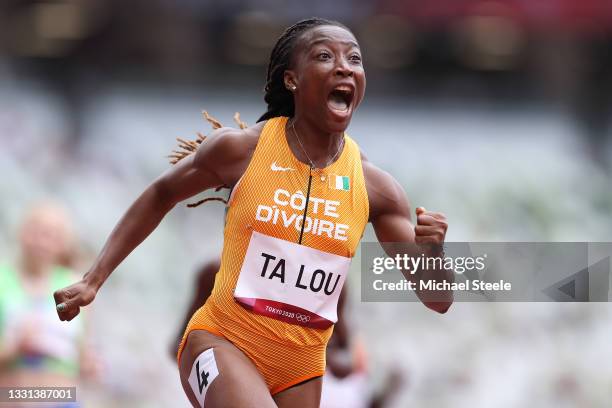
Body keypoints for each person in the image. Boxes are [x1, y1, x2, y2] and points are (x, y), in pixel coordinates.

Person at [53, 17, 452, 407]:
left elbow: (439, 299)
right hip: (220, 340)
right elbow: (161, 194)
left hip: (302, 368)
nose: (344, 66)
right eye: (326, 56)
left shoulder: (376, 187)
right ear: (291, 79)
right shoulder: (241, 150)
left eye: (355, 59)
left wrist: (434, 252)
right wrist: (92, 280)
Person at [0, 203, 96, 395]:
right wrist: (15, 347)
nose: (42, 243)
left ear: (64, 243)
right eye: (36, 232)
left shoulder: (75, 285)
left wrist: (90, 364)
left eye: (52, 236)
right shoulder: (3, 280)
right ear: (22, 233)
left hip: (62, 398)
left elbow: (82, 354)